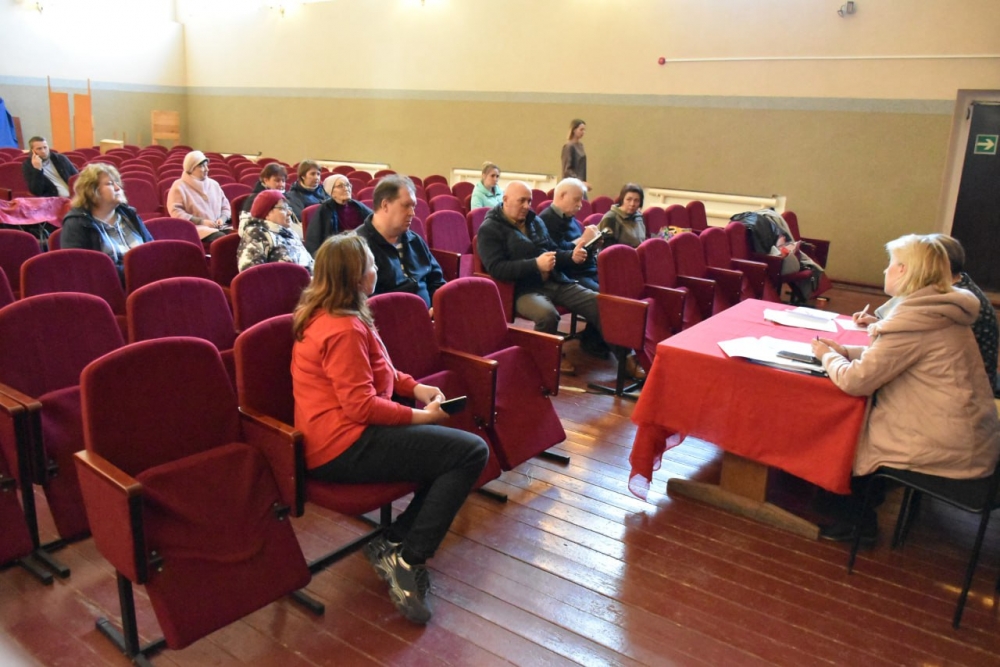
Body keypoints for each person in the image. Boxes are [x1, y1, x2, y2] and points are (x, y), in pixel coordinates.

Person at [291, 234, 488, 624]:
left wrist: (415, 388)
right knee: (469, 452)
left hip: (352, 434)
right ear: (354, 277)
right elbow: (361, 406)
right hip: (341, 447)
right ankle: (408, 558)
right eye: (371, 265)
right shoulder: (342, 327)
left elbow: (379, 368)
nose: (376, 269)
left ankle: (396, 541)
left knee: (453, 453)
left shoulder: (344, 312)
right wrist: (423, 418)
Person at [812, 234, 1000, 542]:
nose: (885, 271)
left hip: (944, 443)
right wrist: (845, 351)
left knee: (846, 434)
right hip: (968, 435)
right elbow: (894, 356)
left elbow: (855, 381)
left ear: (904, 271)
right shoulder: (939, 308)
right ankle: (843, 505)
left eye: (890, 264)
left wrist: (827, 355)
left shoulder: (916, 318)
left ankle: (858, 525)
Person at [476, 180, 608, 368]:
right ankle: (546, 359)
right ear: (505, 200)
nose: (526, 206)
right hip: (522, 289)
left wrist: (571, 256)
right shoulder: (489, 229)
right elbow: (497, 268)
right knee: (547, 315)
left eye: (529, 201)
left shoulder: (535, 221)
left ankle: (624, 355)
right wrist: (535, 264)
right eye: (521, 201)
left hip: (553, 280)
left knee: (598, 302)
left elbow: (552, 250)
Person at [853, 234, 998, 396]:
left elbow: (858, 379)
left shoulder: (949, 299)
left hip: (959, 390)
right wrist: (878, 322)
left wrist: (832, 355)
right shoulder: (953, 290)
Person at [355, 174, 445, 309]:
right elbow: (362, 300)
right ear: (385, 205)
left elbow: (436, 281)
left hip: (428, 317)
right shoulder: (357, 246)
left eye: (413, 206)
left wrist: (437, 308)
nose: (412, 213)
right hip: (388, 318)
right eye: (406, 205)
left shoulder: (415, 240)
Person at [61, 163, 153, 282]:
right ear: (92, 190)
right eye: (110, 184)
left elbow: (151, 249)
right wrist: (137, 271)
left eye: (117, 182)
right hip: (109, 286)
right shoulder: (76, 223)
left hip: (146, 278)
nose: (118, 188)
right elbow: (80, 269)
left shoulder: (129, 214)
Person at [538, 178, 600, 291]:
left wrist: (593, 245)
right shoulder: (547, 219)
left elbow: (580, 250)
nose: (580, 205)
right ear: (562, 196)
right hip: (572, 275)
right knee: (607, 296)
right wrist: (583, 240)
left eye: (581, 200)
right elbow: (556, 254)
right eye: (576, 200)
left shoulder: (570, 217)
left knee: (619, 287)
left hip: (587, 270)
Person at [165, 150, 232, 250]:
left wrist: (222, 219)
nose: (207, 169)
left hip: (218, 226)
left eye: (206, 165)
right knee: (222, 239)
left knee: (238, 236)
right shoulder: (179, 186)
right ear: (191, 169)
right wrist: (201, 221)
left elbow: (225, 206)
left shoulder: (214, 184)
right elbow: (176, 212)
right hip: (196, 228)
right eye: (202, 166)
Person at [236, 190, 314, 274]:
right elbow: (251, 274)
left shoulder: (289, 232)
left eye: (288, 208)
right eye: (283, 208)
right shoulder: (256, 234)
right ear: (267, 213)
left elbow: (309, 262)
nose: (289, 213)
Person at [304, 174, 372, 256]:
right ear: (331, 191)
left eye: (348, 185)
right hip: (338, 251)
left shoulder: (358, 206)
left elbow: (373, 222)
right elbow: (314, 241)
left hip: (362, 246)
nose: (346, 188)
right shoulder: (324, 210)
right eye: (340, 186)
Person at [240, 163, 289, 228]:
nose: (281, 184)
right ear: (266, 180)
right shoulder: (254, 199)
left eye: (283, 181)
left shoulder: (284, 197)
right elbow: (251, 225)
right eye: (277, 180)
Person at [598, 183, 647, 248]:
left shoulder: (639, 217)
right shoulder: (611, 218)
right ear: (622, 199)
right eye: (629, 199)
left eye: (636, 200)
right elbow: (608, 248)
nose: (632, 204)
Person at [560, 119, 589, 193]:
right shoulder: (568, 146)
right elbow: (567, 170)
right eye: (581, 130)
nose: (583, 132)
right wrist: (580, 182)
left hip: (580, 183)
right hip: (571, 185)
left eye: (584, 130)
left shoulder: (580, 145)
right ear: (574, 130)